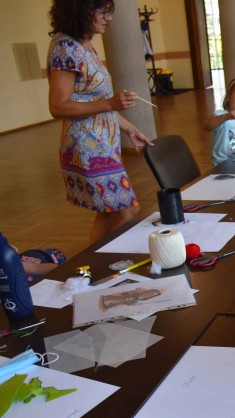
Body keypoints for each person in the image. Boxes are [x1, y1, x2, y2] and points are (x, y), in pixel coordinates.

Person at [47, 0, 153, 244]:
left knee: (108, 213)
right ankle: (106, 258)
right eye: (103, 12)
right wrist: (110, 103)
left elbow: (96, 102)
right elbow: (57, 106)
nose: (109, 18)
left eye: (110, 12)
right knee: (128, 210)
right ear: (81, 10)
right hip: (87, 146)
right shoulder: (65, 48)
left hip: (102, 142)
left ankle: (95, 263)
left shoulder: (85, 45)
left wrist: (131, 129)